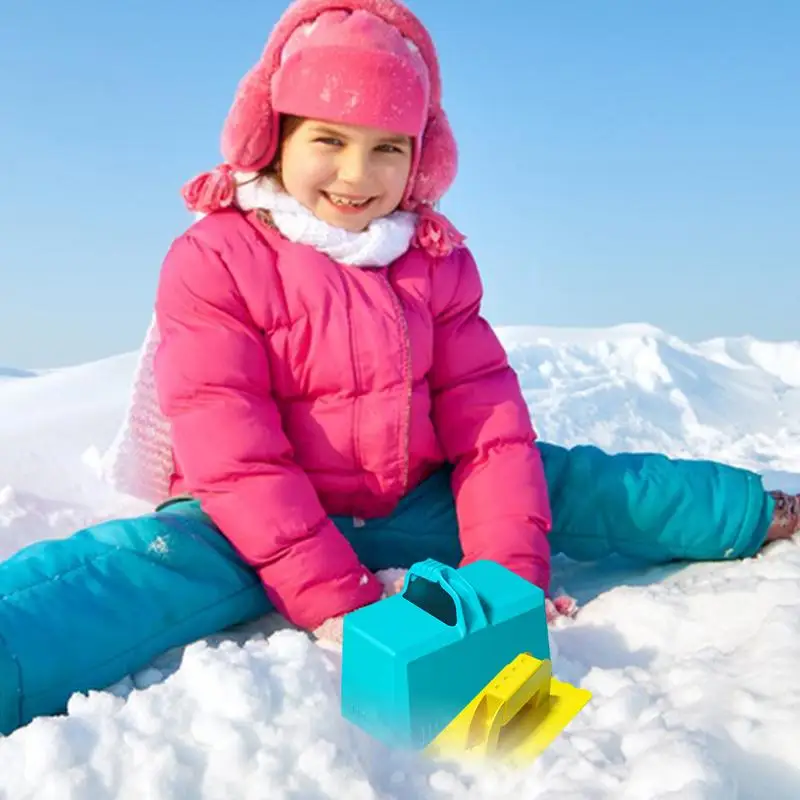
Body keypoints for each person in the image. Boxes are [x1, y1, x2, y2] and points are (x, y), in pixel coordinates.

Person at [1, 0, 797, 739]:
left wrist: (507, 584)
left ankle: (750, 509)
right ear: (274, 135)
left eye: (388, 148)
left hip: (409, 500)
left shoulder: (433, 263)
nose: (358, 176)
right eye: (329, 141)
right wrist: (332, 598)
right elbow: (232, 452)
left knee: (574, 485)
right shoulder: (216, 258)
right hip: (247, 522)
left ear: (421, 156)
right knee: (136, 571)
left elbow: (490, 434)